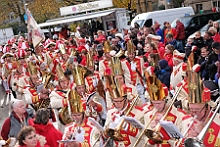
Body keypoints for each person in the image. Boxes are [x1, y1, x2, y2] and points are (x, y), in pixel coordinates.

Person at [104, 72, 146, 147]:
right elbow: (105, 134)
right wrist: (110, 128)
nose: (117, 104)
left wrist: (128, 128)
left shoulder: (139, 113)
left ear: (126, 100)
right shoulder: (111, 113)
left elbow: (145, 136)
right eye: (115, 101)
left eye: (120, 101)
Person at [182, 65, 220, 147]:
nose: (194, 113)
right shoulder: (185, 120)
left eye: (198, 110)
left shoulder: (218, 121)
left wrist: (204, 134)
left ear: (208, 107)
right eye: (191, 109)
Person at [143, 74, 186, 147]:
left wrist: (164, 129)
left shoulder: (180, 115)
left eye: (159, 103)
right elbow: (147, 143)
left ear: (166, 100)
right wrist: (152, 134)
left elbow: (181, 142)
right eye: (154, 103)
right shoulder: (148, 115)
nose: (156, 106)